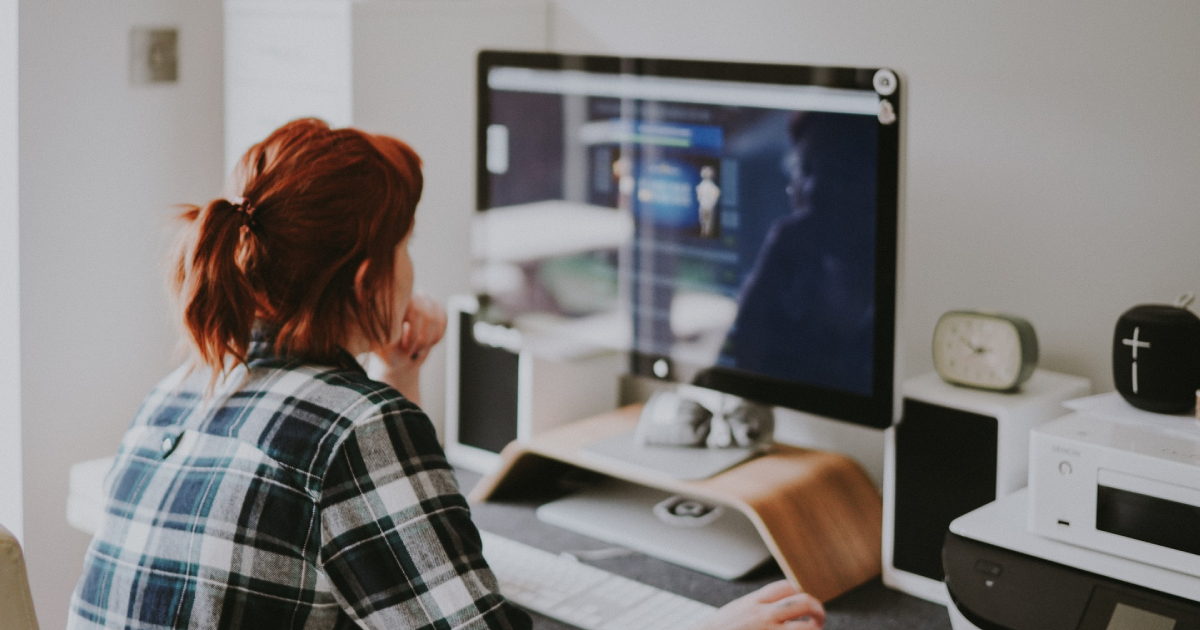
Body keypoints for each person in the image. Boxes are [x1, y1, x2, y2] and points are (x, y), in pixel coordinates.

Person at [67, 118, 825, 630]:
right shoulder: (354, 426)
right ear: (369, 275)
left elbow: (373, 540)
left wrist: (394, 372)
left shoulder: (180, 391)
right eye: (406, 244)